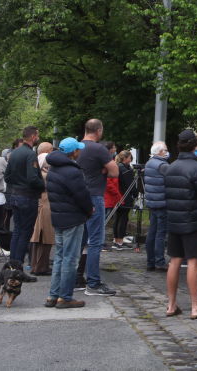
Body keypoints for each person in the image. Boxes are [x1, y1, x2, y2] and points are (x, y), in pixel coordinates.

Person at [164, 128, 197, 319]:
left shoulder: (171, 166)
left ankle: (171, 305)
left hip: (174, 219)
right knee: (193, 262)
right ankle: (195, 307)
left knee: (175, 260)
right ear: (195, 145)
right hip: (193, 220)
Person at [45, 137, 94, 309]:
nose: (80, 152)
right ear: (73, 152)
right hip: (72, 218)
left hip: (58, 217)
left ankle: (53, 295)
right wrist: (89, 209)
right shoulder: (72, 171)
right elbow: (82, 195)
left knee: (59, 257)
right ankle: (65, 297)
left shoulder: (53, 169)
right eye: (78, 149)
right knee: (71, 259)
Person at [76, 119, 118, 296]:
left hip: (77, 196)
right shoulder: (98, 148)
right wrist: (102, 171)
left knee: (79, 239)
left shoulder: (75, 147)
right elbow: (115, 172)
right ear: (99, 131)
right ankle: (93, 283)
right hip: (94, 196)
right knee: (95, 241)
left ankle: (76, 278)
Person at [5, 125, 44, 272]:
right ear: (33, 137)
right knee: (25, 232)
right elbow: (33, 178)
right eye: (37, 135)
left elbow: (7, 176)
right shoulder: (30, 154)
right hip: (27, 197)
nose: (38, 138)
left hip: (14, 195)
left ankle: (12, 264)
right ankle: (18, 267)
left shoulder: (14, 153)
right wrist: (44, 185)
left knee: (17, 230)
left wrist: (17, 183)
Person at [29, 142, 56, 274]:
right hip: (46, 206)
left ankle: (37, 265)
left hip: (41, 205)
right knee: (45, 237)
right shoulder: (46, 176)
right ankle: (40, 267)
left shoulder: (38, 173)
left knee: (38, 238)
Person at [144, 141, 170, 272]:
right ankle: (160, 261)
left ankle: (150, 261)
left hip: (152, 202)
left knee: (152, 232)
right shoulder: (162, 165)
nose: (167, 152)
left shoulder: (149, 163)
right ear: (159, 152)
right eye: (165, 150)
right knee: (161, 233)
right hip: (162, 203)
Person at [107, 149, 136, 251]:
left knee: (118, 218)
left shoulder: (118, 167)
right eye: (129, 157)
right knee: (122, 219)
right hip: (124, 196)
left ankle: (117, 240)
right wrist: (135, 193)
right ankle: (119, 241)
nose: (131, 159)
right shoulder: (125, 170)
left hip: (119, 196)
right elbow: (130, 184)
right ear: (125, 158)